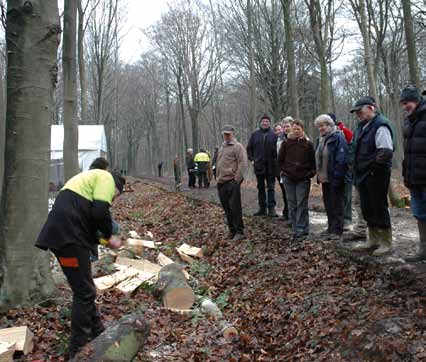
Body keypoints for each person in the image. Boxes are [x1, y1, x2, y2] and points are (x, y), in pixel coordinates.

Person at [35, 169, 125, 358]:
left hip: (60, 238)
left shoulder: (84, 188)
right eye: (115, 195)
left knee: (83, 289)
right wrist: (110, 235)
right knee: (85, 292)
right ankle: (79, 349)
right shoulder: (106, 178)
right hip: (70, 237)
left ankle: (97, 333)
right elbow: (100, 211)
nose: (113, 199)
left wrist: (104, 240)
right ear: (116, 187)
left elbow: (91, 224)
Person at [349, 96, 394, 256]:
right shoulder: (362, 127)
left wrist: (372, 169)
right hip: (362, 174)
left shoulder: (381, 125)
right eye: (356, 112)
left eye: (360, 111)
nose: (358, 114)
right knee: (367, 207)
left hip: (376, 174)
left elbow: (385, 151)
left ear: (371, 108)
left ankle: (385, 242)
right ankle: (373, 239)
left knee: (379, 206)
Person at [400, 85, 426, 262]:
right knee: (419, 213)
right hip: (413, 177)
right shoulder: (408, 120)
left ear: (416, 100)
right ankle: (423, 249)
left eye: (407, 102)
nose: (404, 106)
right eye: (402, 103)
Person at [278, 120, 316, 241]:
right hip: (288, 178)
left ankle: (303, 229)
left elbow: (313, 163)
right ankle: (295, 229)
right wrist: (284, 172)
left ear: (302, 129)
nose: (296, 131)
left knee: (302, 203)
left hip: (303, 179)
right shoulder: (286, 143)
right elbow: (279, 161)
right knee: (292, 204)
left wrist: (309, 174)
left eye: (298, 129)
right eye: (294, 129)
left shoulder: (308, 144)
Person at [314, 114, 349, 241]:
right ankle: (330, 227)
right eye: (319, 126)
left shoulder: (338, 137)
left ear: (329, 125)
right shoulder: (321, 139)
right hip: (325, 177)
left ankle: (337, 230)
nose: (321, 128)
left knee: (337, 204)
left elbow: (342, 158)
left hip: (335, 177)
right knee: (328, 204)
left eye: (323, 125)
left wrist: (338, 176)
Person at [216, 125, 248, 241]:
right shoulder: (222, 147)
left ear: (233, 134)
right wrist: (217, 178)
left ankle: (240, 231)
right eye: (224, 134)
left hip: (232, 181)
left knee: (235, 207)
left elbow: (242, 163)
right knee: (227, 208)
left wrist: (236, 180)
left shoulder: (237, 146)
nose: (226, 136)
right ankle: (232, 230)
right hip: (221, 181)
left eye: (228, 134)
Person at [247, 114, 278, 217]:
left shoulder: (274, 135)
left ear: (269, 123)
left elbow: (278, 151)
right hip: (259, 165)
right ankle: (262, 208)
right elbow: (249, 148)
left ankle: (271, 208)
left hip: (271, 166)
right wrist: (252, 160)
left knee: (271, 187)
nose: (265, 123)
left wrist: (276, 161)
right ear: (260, 123)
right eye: (263, 121)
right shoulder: (255, 134)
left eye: (267, 121)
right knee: (260, 187)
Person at [274, 122, 289, 220]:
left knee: (289, 192)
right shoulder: (276, 140)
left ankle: (290, 214)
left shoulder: (287, 139)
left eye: (280, 129)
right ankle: (286, 213)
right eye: (276, 130)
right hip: (279, 170)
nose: (278, 131)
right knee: (284, 191)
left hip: (289, 169)